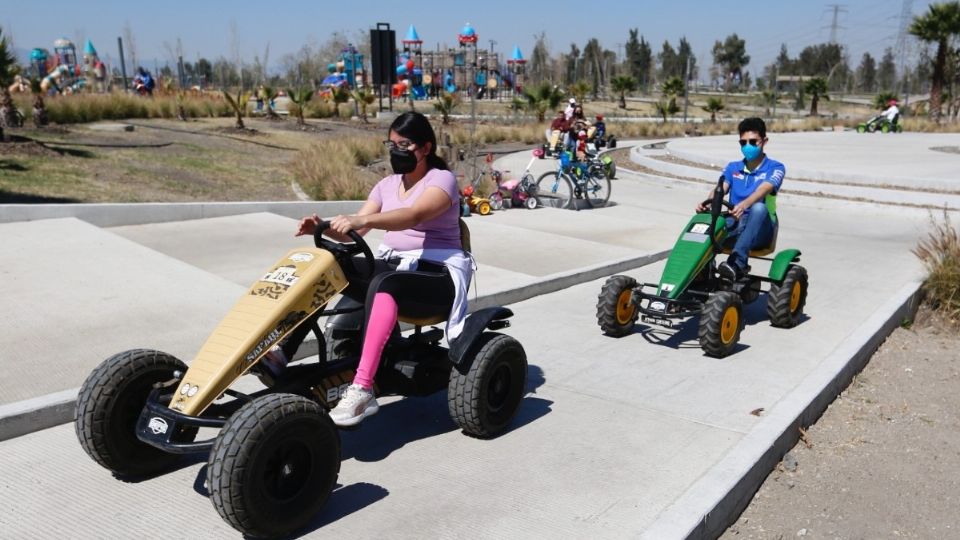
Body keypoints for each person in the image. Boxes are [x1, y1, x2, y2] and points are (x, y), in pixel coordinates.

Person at [259, 111, 473, 427]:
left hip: (437, 275)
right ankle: (281, 353)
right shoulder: (386, 185)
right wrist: (323, 227)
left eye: (406, 144)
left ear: (426, 148)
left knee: (387, 284)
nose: (397, 150)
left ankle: (362, 389)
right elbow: (352, 232)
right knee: (329, 265)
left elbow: (414, 215)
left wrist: (364, 220)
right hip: (395, 269)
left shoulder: (442, 180)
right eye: (392, 144)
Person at [695, 117, 785, 281]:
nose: (748, 146)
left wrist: (744, 204)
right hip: (735, 222)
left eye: (753, 141)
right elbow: (721, 188)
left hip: (761, 229)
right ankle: (702, 267)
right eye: (743, 143)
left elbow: (765, 188)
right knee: (710, 221)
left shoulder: (775, 167)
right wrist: (708, 202)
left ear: (764, 141)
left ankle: (737, 264)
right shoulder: (733, 167)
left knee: (759, 208)